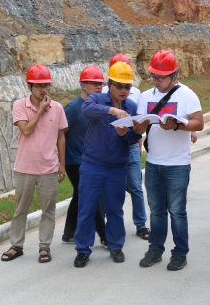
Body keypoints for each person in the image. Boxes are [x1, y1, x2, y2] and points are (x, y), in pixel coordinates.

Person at [137, 49, 204, 271]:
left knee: (177, 211)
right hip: (153, 163)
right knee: (156, 211)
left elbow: (199, 123)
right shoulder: (145, 96)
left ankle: (180, 253)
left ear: (174, 75)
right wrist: (137, 124)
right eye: (153, 76)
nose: (156, 81)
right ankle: (155, 250)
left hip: (178, 164)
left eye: (161, 77)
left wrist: (177, 125)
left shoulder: (187, 95)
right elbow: (139, 128)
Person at [73, 61, 143, 268]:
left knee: (115, 209)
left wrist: (126, 134)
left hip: (116, 166)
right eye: (119, 86)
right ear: (110, 84)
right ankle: (82, 249)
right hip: (93, 164)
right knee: (86, 208)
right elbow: (87, 109)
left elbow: (132, 139)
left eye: (127, 87)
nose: (123, 91)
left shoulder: (131, 107)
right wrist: (113, 111)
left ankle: (115, 246)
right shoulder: (97, 99)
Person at [1, 64, 67, 264]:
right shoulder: (20, 105)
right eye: (38, 86)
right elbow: (26, 130)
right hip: (24, 167)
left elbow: (61, 137)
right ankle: (16, 245)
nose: (43, 90)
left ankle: (44, 246)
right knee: (20, 209)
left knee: (48, 209)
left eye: (46, 85)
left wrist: (62, 164)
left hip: (49, 168)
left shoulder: (57, 108)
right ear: (30, 86)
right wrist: (40, 111)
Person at [102, 53, 150, 240]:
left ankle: (141, 224)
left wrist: (138, 143)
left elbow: (138, 120)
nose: (123, 89)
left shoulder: (135, 93)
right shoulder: (102, 95)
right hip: (110, 145)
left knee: (135, 186)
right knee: (108, 187)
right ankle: (105, 224)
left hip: (130, 144)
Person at [62, 66, 107, 246]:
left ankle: (68, 233)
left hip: (92, 160)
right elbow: (60, 134)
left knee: (80, 195)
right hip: (74, 161)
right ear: (83, 85)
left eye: (100, 84)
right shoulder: (73, 108)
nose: (98, 87)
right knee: (90, 195)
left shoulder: (99, 107)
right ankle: (104, 235)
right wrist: (60, 161)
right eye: (94, 83)